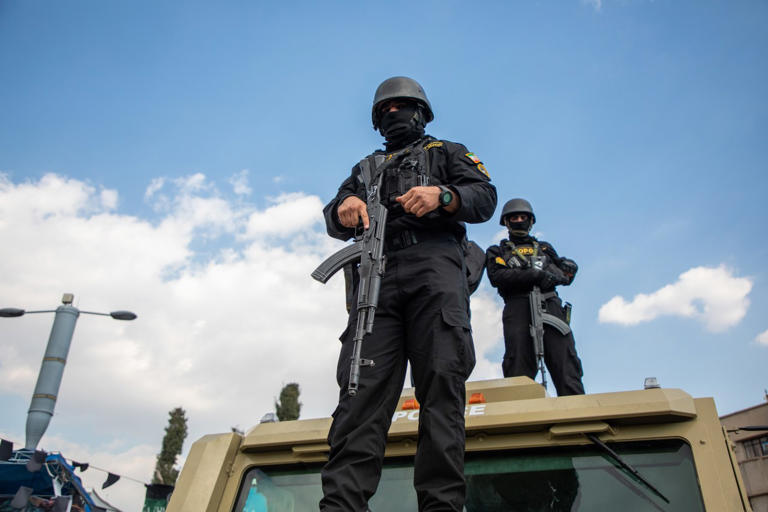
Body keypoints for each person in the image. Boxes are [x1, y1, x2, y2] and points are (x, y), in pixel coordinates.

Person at [319, 76, 497, 512]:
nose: (393, 114)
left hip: (434, 268)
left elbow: (484, 197)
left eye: (402, 106)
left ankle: (440, 507)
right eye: (385, 110)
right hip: (374, 279)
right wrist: (345, 209)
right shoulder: (364, 169)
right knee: (360, 395)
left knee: (440, 388)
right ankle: (341, 506)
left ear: (422, 112)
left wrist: (444, 196)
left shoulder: (448, 152)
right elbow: (333, 216)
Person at [485, 198, 585, 397]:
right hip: (517, 305)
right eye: (514, 217)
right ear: (506, 222)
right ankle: (520, 419)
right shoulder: (497, 251)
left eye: (523, 217)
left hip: (550, 305)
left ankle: (578, 417)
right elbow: (498, 277)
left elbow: (563, 275)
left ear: (531, 221)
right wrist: (533, 275)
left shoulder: (545, 249)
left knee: (566, 363)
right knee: (518, 365)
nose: (519, 220)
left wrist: (567, 269)